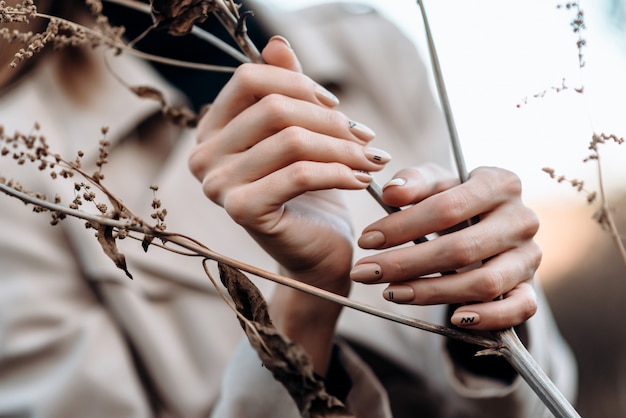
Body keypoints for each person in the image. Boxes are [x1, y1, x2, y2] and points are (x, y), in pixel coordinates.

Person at [0, 1, 576, 417]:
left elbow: (549, 391)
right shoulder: (21, 163)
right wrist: (303, 306)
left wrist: (484, 304)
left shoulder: (371, 47)